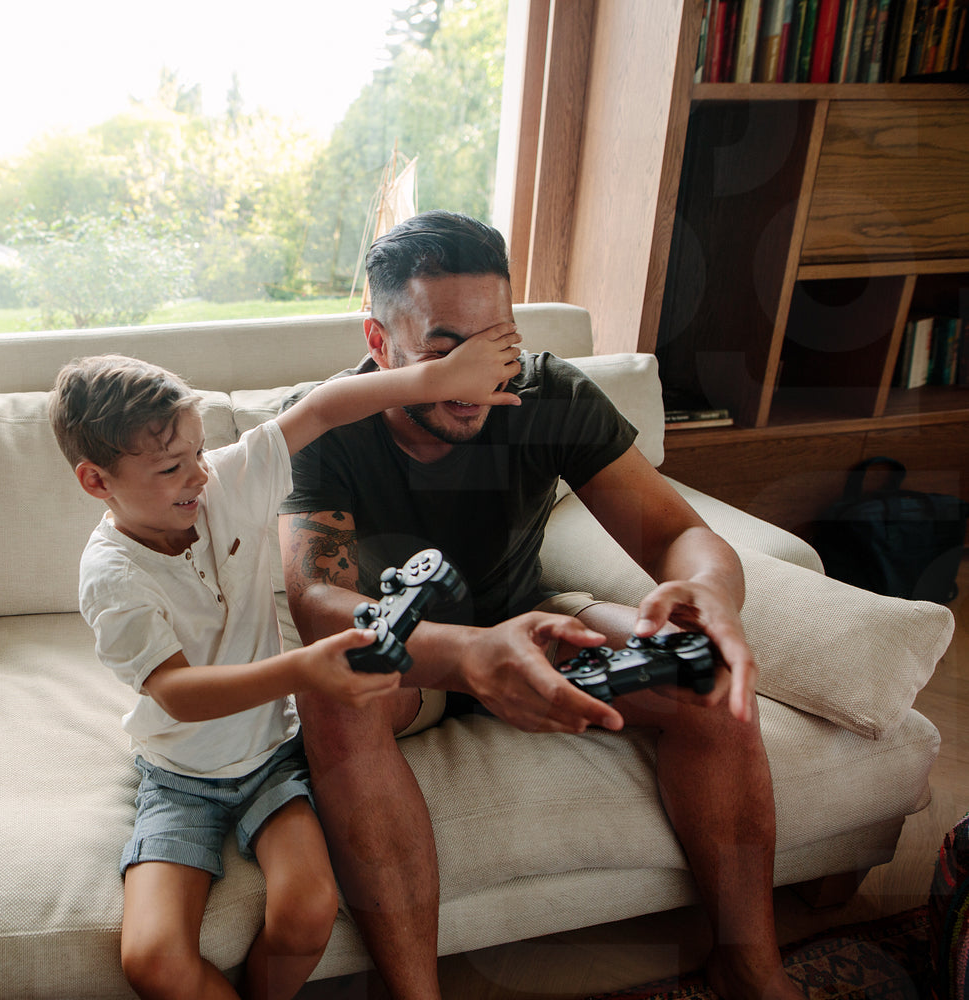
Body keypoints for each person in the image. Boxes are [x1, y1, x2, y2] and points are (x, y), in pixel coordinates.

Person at [278, 211, 804, 1000]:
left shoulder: (548, 393)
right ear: (380, 343)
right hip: (409, 659)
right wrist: (467, 656)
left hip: (535, 624)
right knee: (335, 691)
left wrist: (708, 592)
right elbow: (322, 606)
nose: (480, 379)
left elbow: (678, 535)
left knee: (709, 675)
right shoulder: (323, 421)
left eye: (497, 344)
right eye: (445, 352)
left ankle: (749, 965)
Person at [49, 341, 522, 1000]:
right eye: (170, 468)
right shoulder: (111, 575)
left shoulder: (224, 482)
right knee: (153, 960)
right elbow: (177, 693)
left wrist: (435, 378)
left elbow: (323, 408)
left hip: (273, 754)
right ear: (97, 481)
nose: (198, 476)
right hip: (179, 779)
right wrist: (304, 668)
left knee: (308, 912)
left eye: (198, 452)